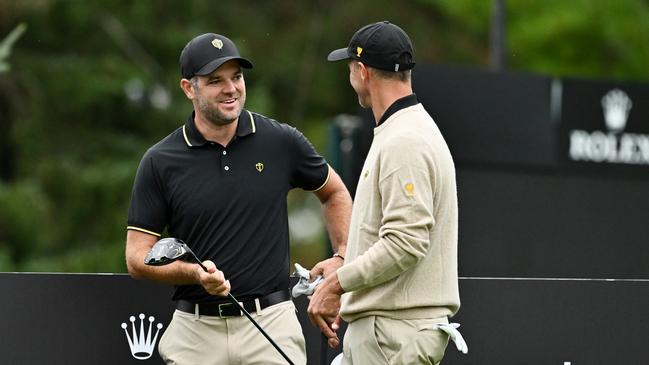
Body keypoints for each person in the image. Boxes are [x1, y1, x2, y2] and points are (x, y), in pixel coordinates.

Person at [125, 32, 352, 365]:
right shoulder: (161, 160)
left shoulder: (280, 141)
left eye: (237, 77)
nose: (231, 88)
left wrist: (342, 255)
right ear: (189, 88)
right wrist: (195, 274)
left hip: (270, 321)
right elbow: (136, 257)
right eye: (215, 80)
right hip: (195, 330)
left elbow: (334, 192)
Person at [307, 21, 461, 364]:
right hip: (392, 334)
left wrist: (338, 285)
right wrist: (344, 265)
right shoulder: (403, 131)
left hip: (393, 336)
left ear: (362, 72)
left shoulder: (404, 140)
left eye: (349, 68)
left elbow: (405, 241)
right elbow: (389, 237)